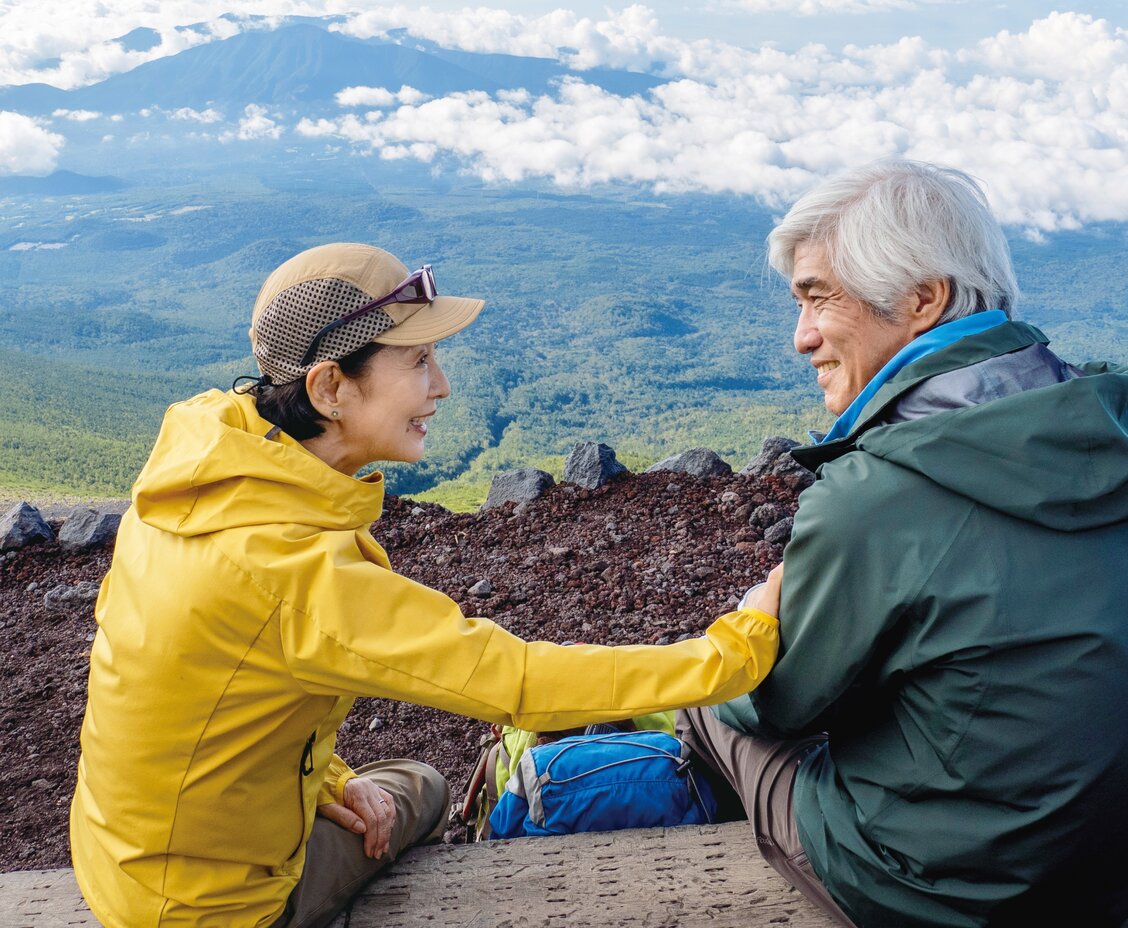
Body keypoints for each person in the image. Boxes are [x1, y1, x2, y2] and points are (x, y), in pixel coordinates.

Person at [70, 243, 782, 928]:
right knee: (424, 787)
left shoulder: (198, 474)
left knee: (392, 786)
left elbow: (187, 687)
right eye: (418, 360)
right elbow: (519, 683)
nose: (440, 385)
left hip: (119, 859)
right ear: (328, 387)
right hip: (209, 909)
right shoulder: (287, 570)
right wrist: (736, 650)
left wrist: (330, 781)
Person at [676, 160, 1128, 928]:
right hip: (1119, 875)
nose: (802, 338)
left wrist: (754, 617)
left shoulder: (873, 495)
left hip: (944, 899)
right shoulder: (1118, 443)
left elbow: (776, 703)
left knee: (709, 697)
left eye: (819, 297)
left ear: (924, 299)